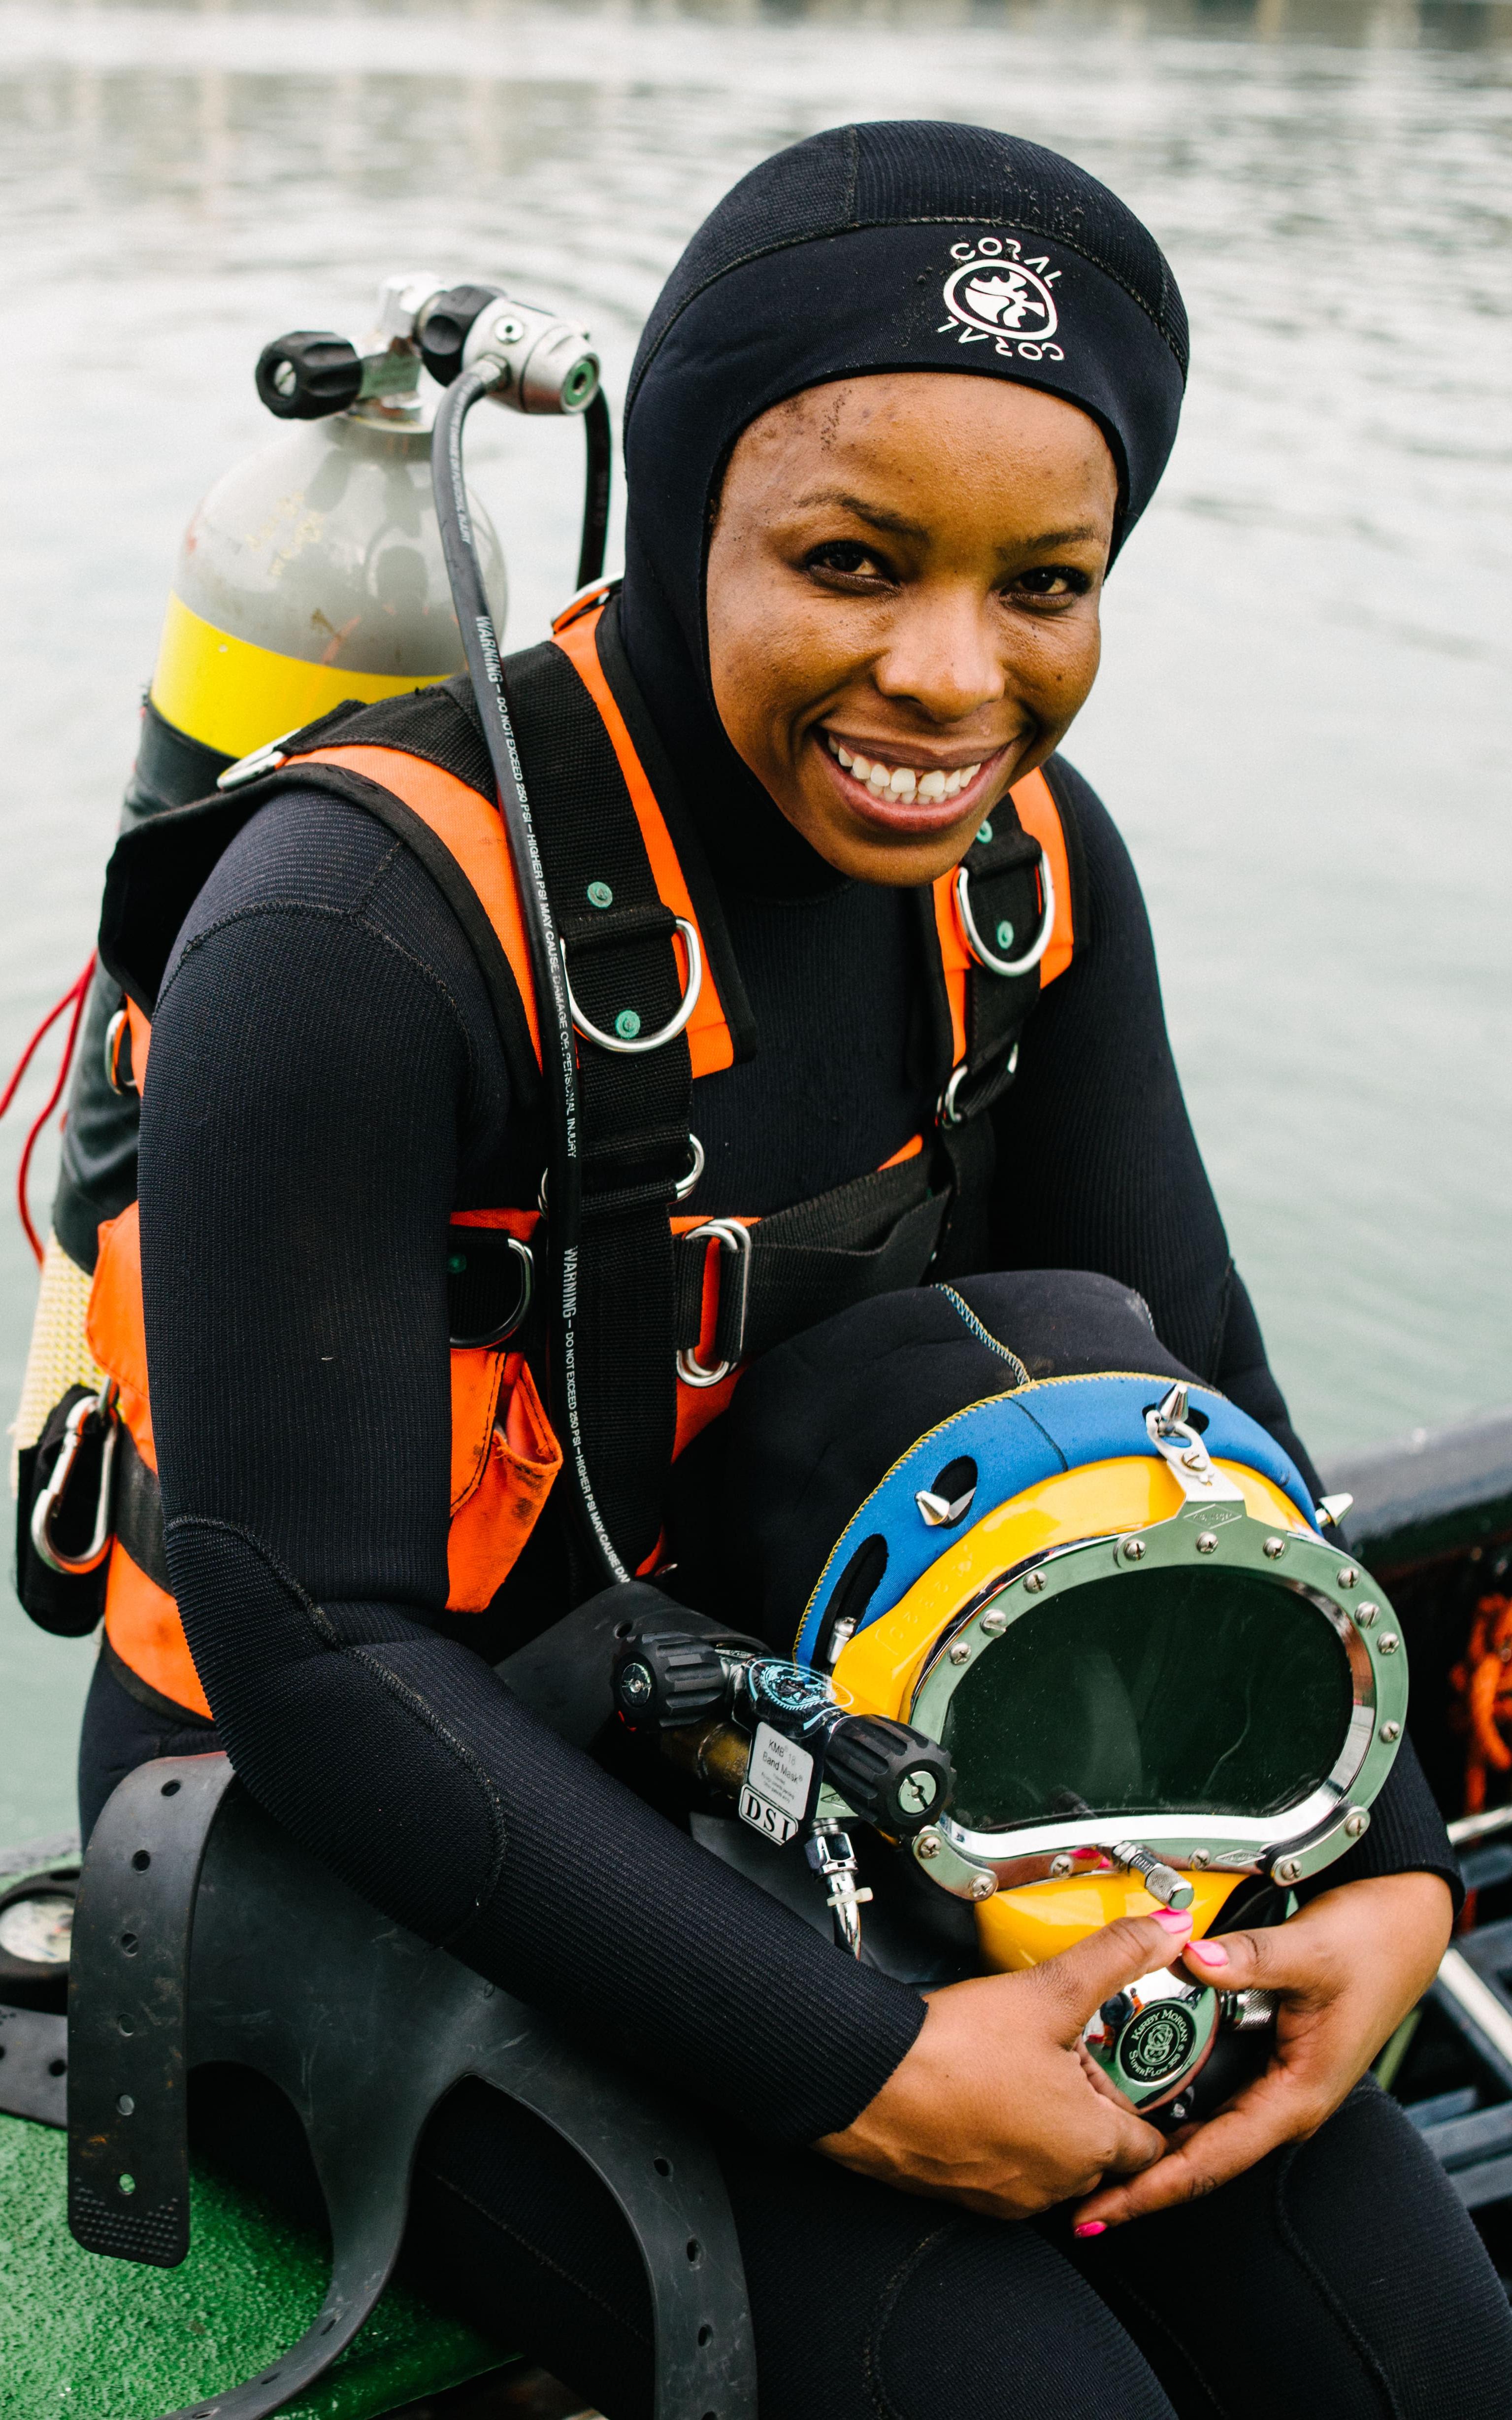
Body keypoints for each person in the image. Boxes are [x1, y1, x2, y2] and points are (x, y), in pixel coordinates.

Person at [72, 122, 1508, 2418]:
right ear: (684, 522)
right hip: (331, 1841)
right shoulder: (352, 935)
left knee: (1418, 2346)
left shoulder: (1022, 867)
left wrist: (1394, 1871)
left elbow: (1202, 1392)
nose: (950, 678)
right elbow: (311, 1644)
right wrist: (871, 2065)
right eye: (850, 561)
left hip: (825, 1751)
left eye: (1045, 584)